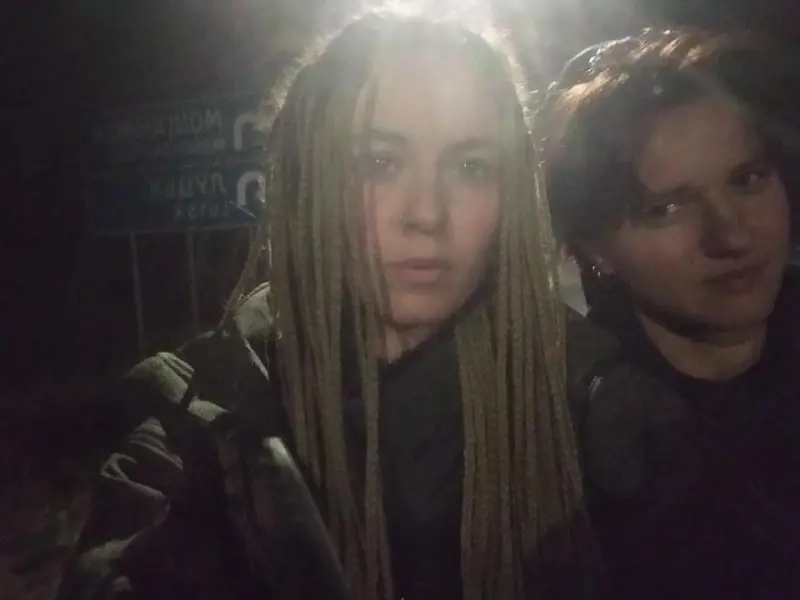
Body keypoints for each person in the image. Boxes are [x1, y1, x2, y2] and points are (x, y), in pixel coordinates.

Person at [56, 13, 596, 600]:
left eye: (471, 166)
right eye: (378, 163)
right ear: (308, 180)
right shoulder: (200, 426)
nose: (427, 213)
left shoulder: (596, 404)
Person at [542, 28, 800, 598]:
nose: (731, 235)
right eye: (665, 209)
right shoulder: (575, 451)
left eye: (748, 180)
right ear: (595, 246)